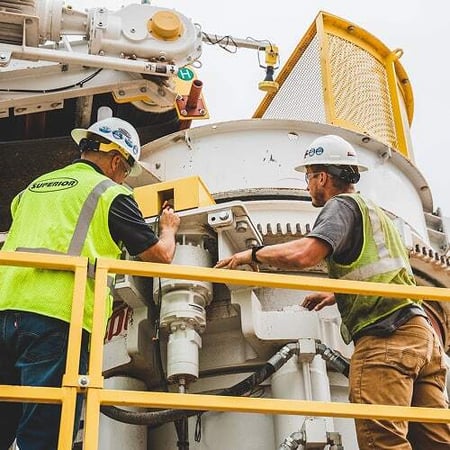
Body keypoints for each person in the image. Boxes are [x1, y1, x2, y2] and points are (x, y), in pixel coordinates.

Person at [215, 134, 450, 449]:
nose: (307, 185)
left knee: (382, 439)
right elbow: (385, 276)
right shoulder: (376, 213)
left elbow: (305, 255)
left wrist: (251, 255)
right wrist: (337, 295)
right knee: (436, 441)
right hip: (422, 338)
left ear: (322, 176)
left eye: (309, 177)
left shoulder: (341, 206)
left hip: (385, 336)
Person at [0, 117, 180, 450]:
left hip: (5, 311)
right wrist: (168, 228)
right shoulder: (110, 193)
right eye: (126, 171)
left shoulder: (33, 188)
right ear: (116, 162)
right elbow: (159, 256)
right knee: (47, 432)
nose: (124, 178)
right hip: (57, 316)